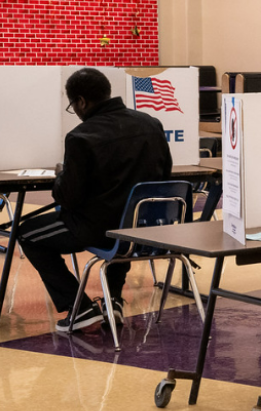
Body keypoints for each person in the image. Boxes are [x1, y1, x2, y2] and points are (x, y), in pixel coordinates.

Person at [18, 68, 171, 332]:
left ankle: (80, 310)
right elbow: (165, 173)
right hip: (149, 228)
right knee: (126, 219)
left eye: (73, 106)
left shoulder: (81, 137)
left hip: (99, 230)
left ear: (81, 101)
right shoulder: (151, 123)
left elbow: (69, 197)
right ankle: (113, 300)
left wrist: (60, 176)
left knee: (27, 234)